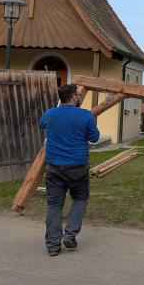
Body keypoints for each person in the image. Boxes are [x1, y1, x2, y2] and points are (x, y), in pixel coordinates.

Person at [38, 84, 99, 256]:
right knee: (80, 198)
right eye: (78, 95)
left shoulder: (50, 114)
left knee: (54, 205)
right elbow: (94, 138)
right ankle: (70, 235)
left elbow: (41, 125)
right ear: (73, 97)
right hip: (77, 167)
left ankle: (52, 246)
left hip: (54, 167)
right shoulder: (85, 115)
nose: (79, 97)